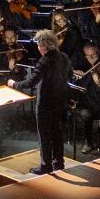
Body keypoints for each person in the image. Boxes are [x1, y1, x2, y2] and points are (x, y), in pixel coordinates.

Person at [31, 27, 71, 175]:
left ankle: (45, 166)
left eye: (38, 45)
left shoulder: (45, 60)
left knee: (45, 136)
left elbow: (31, 81)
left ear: (43, 46)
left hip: (45, 105)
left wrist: (13, 84)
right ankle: (59, 163)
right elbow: (70, 74)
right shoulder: (64, 57)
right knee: (57, 133)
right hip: (60, 102)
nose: (38, 48)